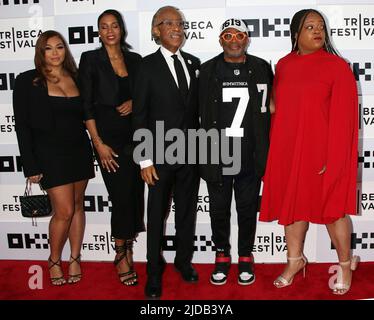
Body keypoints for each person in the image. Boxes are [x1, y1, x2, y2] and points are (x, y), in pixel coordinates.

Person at [259, 9, 359, 295]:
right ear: (295, 34)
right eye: (310, 26)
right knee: (292, 208)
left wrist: (333, 158)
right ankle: (294, 261)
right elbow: (278, 109)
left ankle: (344, 264)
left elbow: (344, 119)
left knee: (333, 211)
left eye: (321, 27)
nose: (318, 31)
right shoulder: (284, 64)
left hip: (323, 153)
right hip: (288, 150)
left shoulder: (338, 66)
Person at [13, 30, 95, 286]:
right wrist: (30, 164)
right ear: (41, 52)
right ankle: (54, 259)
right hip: (50, 154)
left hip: (79, 150)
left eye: (60, 47)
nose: (56, 53)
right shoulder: (28, 81)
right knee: (64, 211)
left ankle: (74, 258)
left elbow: (90, 112)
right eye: (49, 48)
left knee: (79, 205)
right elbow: (22, 126)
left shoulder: (78, 78)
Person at [132, 6, 200, 299]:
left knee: (186, 212)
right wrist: (144, 158)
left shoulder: (194, 63)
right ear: (156, 30)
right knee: (156, 215)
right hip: (158, 157)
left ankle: (183, 262)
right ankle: (154, 274)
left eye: (180, 23)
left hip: (191, 155)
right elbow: (139, 116)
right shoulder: (146, 66)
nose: (176, 28)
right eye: (168, 23)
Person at [199, 19, 273, 286]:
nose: (234, 40)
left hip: (250, 155)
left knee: (246, 209)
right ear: (220, 40)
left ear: (247, 39)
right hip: (217, 155)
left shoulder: (262, 67)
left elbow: (272, 108)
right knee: (218, 210)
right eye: (227, 35)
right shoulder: (206, 70)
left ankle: (244, 255)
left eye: (239, 35)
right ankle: (221, 254)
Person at [78, 10, 145, 286]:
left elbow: (144, 96)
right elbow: (86, 106)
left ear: (122, 29)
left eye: (114, 25)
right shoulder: (90, 60)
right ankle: (120, 254)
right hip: (108, 142)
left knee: (133, 194)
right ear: (99, 32)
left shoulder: (136, 60)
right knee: (120, 197)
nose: (109, 31)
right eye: (103, 27)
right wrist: (99, 144)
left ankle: (127, 249)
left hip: (135, 139)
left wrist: (134, 103)